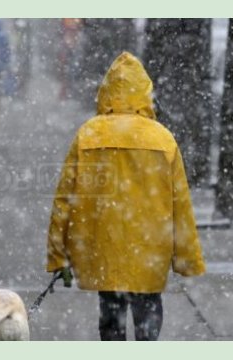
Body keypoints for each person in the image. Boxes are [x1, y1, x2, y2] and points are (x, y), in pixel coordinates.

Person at [46, 52, 206, 341]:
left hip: (103, 246)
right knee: (148, 309)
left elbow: (64, 200)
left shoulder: (88, 135)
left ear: (105, 92)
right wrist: (186, 259)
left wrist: (59, 255)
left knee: (111, 313)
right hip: (150, 247)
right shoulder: (162, 138)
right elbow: (180, 203)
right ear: (145, 93)